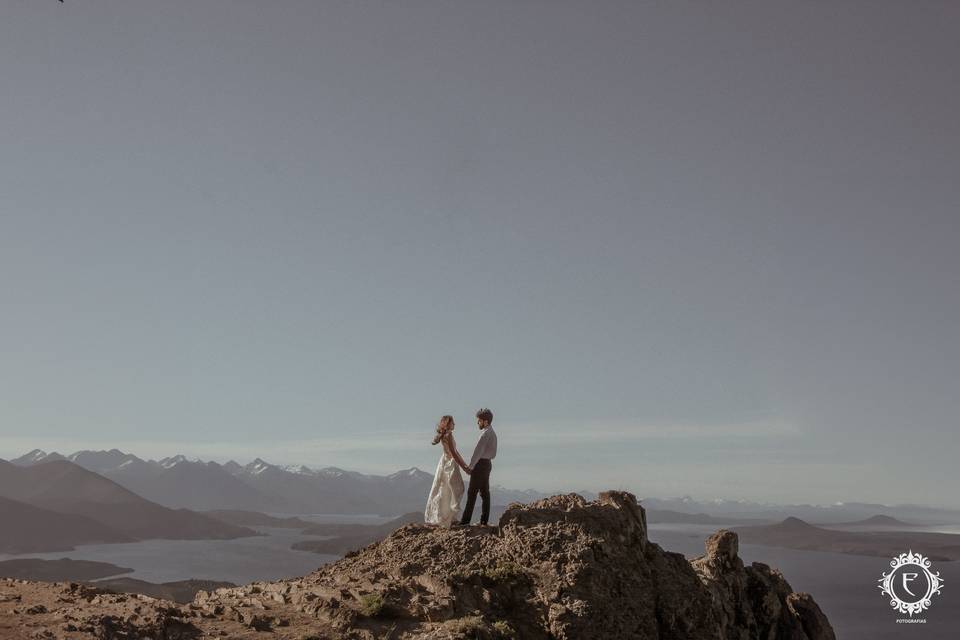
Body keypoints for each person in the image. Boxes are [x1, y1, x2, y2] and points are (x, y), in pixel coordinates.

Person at [424, 415, 470, 527]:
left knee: (447, 489)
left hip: (447, 462)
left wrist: (465, 465)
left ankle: (448, 517)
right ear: (448, 424)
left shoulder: (447, 435)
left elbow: (455, 452)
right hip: (449, 463)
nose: (455, 424)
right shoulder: (448, 435)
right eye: (453, 422)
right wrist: (464, 467)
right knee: (455, 488)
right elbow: (454, 453)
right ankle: (449, 518)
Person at [459, 407, 497, 526]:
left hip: (480, 465)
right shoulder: (492, 433)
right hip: (487, 464)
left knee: (472, 493)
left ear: (485, 421)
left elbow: (477, 452)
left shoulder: (485, 434)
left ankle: (465, 522)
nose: (477, 423)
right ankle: (484, 521)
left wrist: (470, 467)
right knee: (485, 493)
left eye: (479, 420)